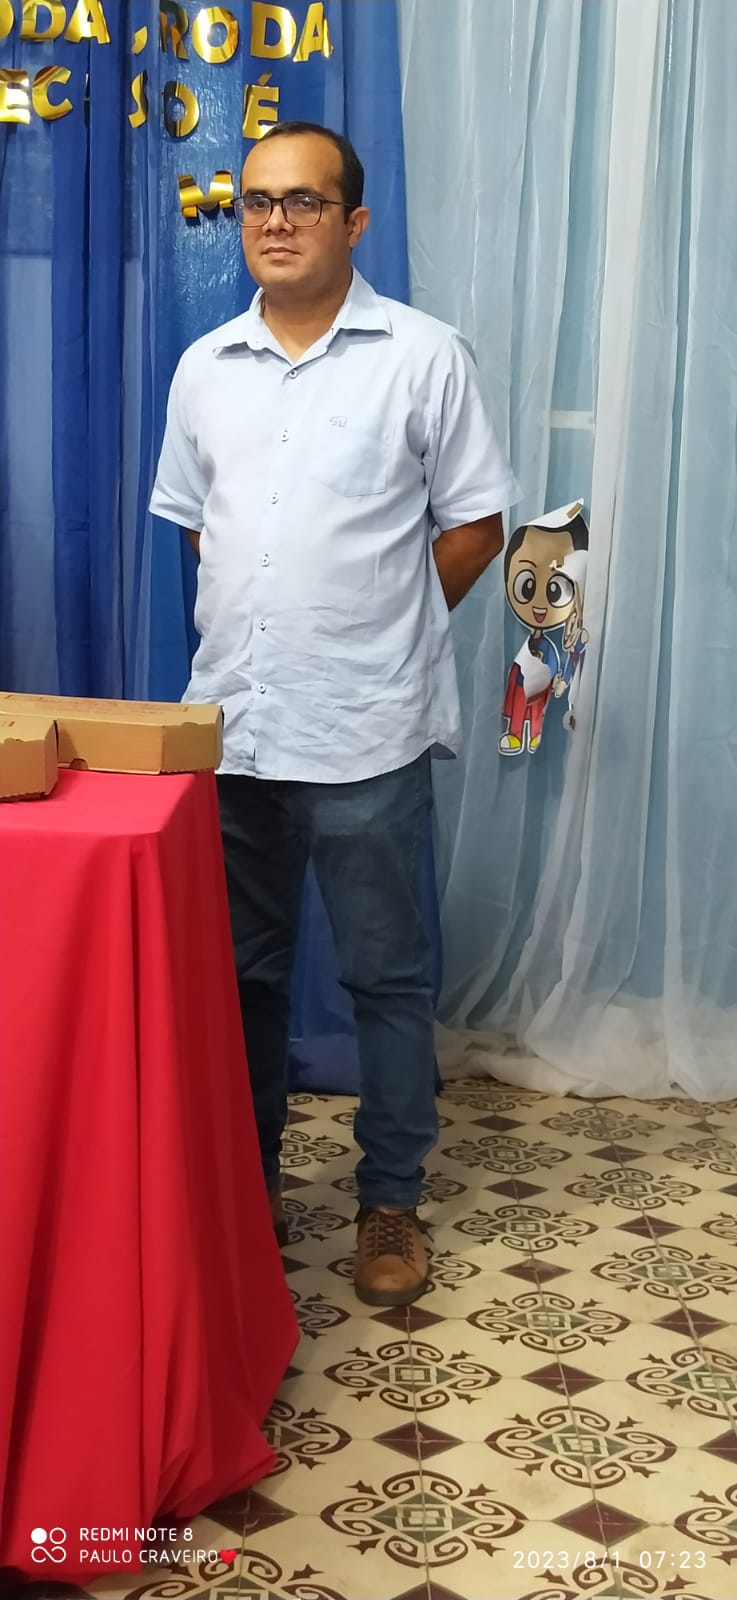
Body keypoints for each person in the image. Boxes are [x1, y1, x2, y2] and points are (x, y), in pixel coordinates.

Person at [150, 122, 518, 1307]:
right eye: (255, 201)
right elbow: (203, 530)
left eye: (303, 201)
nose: (274, 221)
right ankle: (247, 1186)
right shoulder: (205, 366)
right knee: (241, 977)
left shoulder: (422, 356)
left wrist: (381, 623)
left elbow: (474, 525)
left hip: (367, 725)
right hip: (235, 728)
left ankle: (388, 1198)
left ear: (353, 222)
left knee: (385, 979)